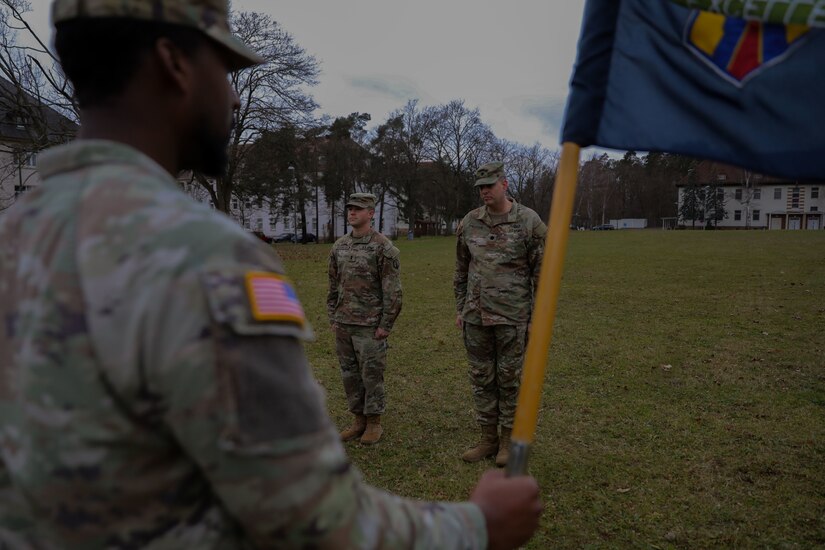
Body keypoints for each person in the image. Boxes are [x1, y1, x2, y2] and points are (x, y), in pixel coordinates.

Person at [0, 1, 543, 548]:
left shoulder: (15, 234)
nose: (234, 96)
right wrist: (478, 527)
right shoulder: (202, 257)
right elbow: (313, 518)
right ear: (173, 62)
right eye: (226, 69)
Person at [454, 161, 547, 467]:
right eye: (480, 187)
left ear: (504, 185)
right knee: (482, 379)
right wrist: (460, 308)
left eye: (489, 186)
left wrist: (535, 318)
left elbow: (541, 275)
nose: (484, 192)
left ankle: (507, 441)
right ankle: (487, 439)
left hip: (513, 317)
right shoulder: (469, 223)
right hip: (476, 317)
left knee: (510, 380)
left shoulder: (528, 222)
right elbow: (461, 270)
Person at [328, 193, 401, 445]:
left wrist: (385, 325)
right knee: (350, 375)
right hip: (344, 324)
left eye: (358, 209)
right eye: (350, 209)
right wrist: (333, 317)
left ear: (370, 213)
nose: (352, 213)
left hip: (370, 326)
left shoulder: (383, 247)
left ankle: (374, 423)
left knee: (371, 375)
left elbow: (393, 291)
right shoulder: (339, 246)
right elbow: (332, 285)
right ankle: (358, 420)